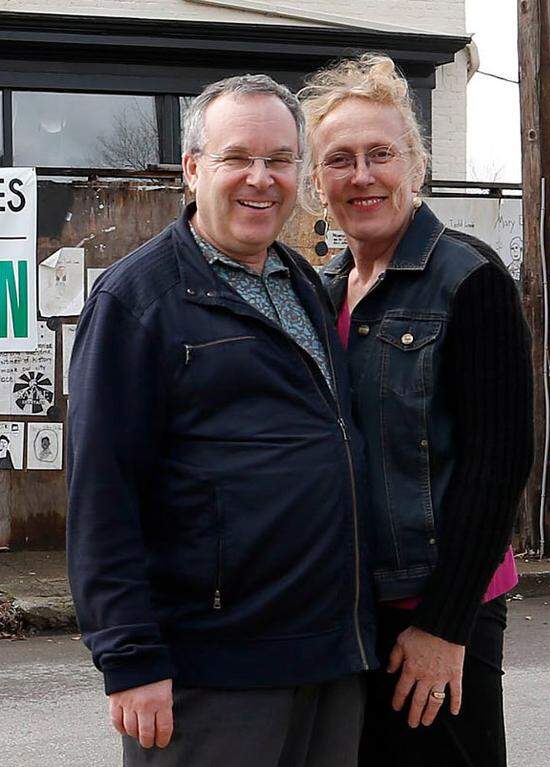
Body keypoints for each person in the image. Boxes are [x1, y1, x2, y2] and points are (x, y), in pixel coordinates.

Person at [66, 74, 376, 767]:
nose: (261, 179)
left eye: (280, 159)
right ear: (193, 168)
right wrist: (131, 657)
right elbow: (101, 495)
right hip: (211, 673)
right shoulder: (137, 301)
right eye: (238, 157)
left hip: (328, 657)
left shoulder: (301, 281)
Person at [301, 54, 534, 766]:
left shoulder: (470, 277)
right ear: (316, 182)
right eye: (340, 160)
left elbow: (499, 463)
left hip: (436, 607)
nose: (362, 175)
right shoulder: (322, 290)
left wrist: (444, 625)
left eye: (381, 154)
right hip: (351, 612)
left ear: (417, 167)